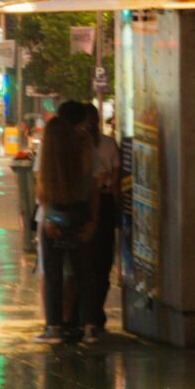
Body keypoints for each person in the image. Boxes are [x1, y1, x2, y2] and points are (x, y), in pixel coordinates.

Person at [34, 101, 98, 345]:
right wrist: (93, 219)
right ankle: (89, 327)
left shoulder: (51, 148)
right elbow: (92, 185)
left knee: (53, 273)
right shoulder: (84, 146)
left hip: (55, 215)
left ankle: (54, 327)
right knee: (85, 273)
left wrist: (48, 217)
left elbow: (43, 189)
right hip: (81, 212)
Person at [74, 107, 122, 346]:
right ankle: (93, 316)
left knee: (92, 264)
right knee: (99, 264)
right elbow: (114, 180)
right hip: (100, 203)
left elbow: (113, 180)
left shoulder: (89, 145)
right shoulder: (107, 144)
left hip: (89, 204)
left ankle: (88, 316)